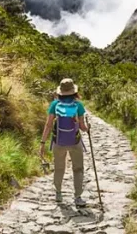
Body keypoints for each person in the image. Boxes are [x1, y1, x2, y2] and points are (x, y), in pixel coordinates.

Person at [40, 78, 90, 206]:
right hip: (75, 141)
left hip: (59, 142)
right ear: (74, 91)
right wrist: (88, 127)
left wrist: (42, 142)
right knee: (78, 169)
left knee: (59, 168)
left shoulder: (54, 105)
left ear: (60, 91)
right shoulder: (78, 105)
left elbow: (48, 125)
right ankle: (78, 197)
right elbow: (83, 127)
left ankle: (58, 193)